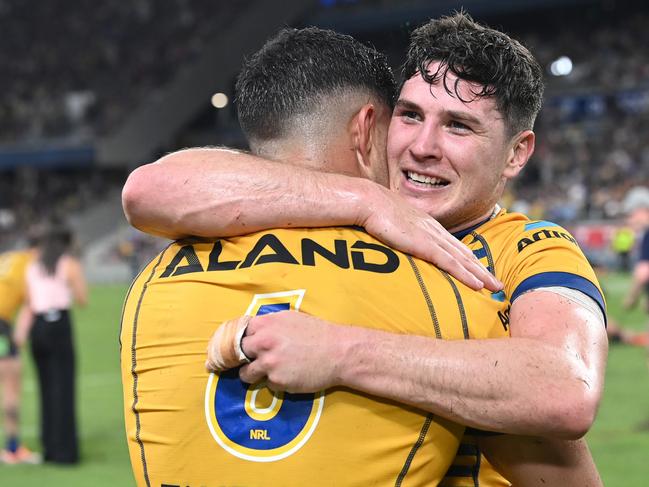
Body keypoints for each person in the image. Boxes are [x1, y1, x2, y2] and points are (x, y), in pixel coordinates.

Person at [122, 21, 604, 486]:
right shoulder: (347, 220)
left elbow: (566, 388)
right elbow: (151, 188)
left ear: (517, 154)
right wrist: (364, 200)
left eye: (458, 127)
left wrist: (341, 351)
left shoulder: (530, 249)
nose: (422, 147)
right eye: (411, 116)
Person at [14, 222, 87, 464]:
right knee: (63, 388)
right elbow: (82, 298)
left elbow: (29, 304)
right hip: (59, 325)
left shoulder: (33, 266)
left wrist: (20, 334)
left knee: (45, 389)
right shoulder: (68, 263)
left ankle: (49, 447)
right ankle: (65, 453)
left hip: (38, 328)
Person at [0, 237, 40, 464]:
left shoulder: (8, 257)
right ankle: (13, 449)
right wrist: (20, 336)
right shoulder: (31, 266)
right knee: (10, 387)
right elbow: (32, 303)